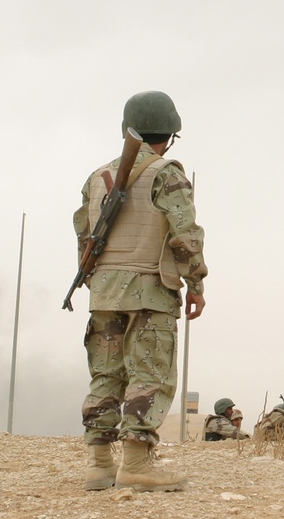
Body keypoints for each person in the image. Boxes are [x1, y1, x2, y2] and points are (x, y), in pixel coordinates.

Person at [74, 91, 207, 492]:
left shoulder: (96, 178)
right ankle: (136, 463)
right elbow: (186, 234)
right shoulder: (167, 173)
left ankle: (99, 464)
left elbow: (84, 235)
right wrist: (196, 283)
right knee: (149, 374)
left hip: (104, 291)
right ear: (169, 134)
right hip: (149, 288)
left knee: (106, 374)